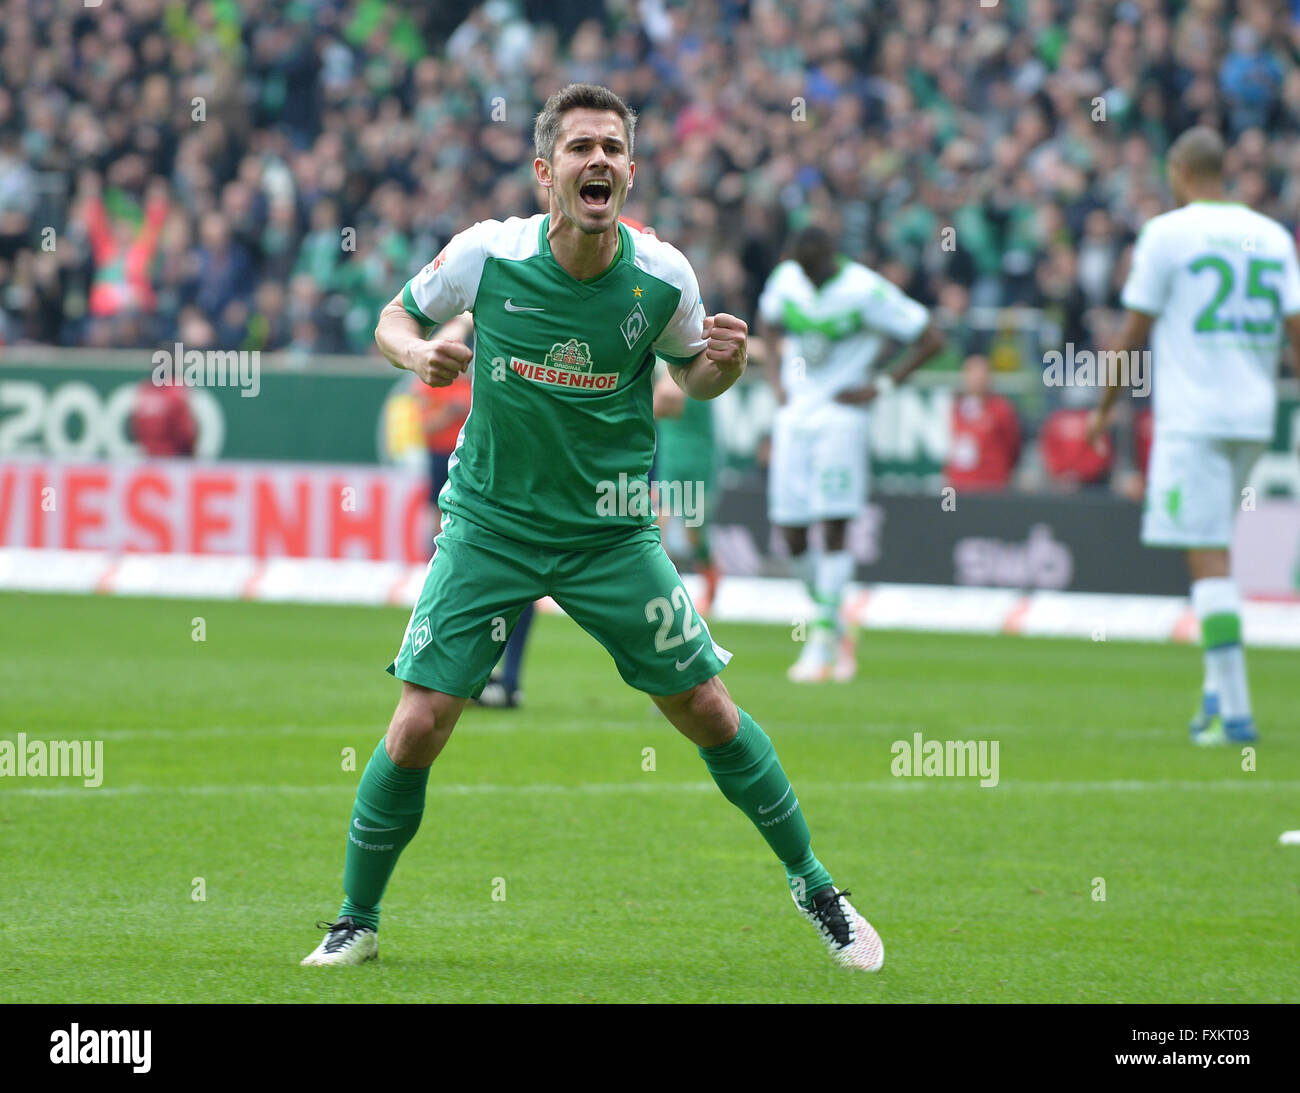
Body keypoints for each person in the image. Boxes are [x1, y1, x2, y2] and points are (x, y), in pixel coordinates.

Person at [301, 84, 884, 972]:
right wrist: (420, 353)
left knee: (707, 708)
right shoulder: (486, 255)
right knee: (419, 722)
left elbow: (695, 382)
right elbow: (393, 319)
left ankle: (818, 888)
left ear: (632, 170)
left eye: (613, 146)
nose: (598, 160)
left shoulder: (664, 277)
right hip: (490, 521)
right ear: (546, 172)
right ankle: (355, 919)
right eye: (580, 147)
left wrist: (721, 368)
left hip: (611, 532)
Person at [1088, 126, 1300, 745]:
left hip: (1194, 418)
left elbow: (1131, 333)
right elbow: (1295, 328)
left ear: (1180, 171)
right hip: (1254, 416)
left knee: (1205, 558)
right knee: (1217, 547)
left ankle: (1236, 714)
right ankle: (1213, 697)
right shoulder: (1269, 235)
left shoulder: (1167, 234)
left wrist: (1103, 409)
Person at [758, 225, 945, 683]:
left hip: (842, 418)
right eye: (802, 268)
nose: (808, 276)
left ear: (832, 257)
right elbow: (767, 321)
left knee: (834, 525)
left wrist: (881, 385)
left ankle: (821, 642)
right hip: (795, 416)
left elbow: (931, 338)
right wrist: (776, 379)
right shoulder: (787, 279)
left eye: (814, 268)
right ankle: (836, 621)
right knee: (791, 532)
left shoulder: (865, 289)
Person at [945, 354, 1022, 492]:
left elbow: (1013, 444)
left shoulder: (1001, 409)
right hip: (960, 483)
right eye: (972, 374)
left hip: (992, 484)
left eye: (981, 374)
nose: (977, 379)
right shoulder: (956, 408)